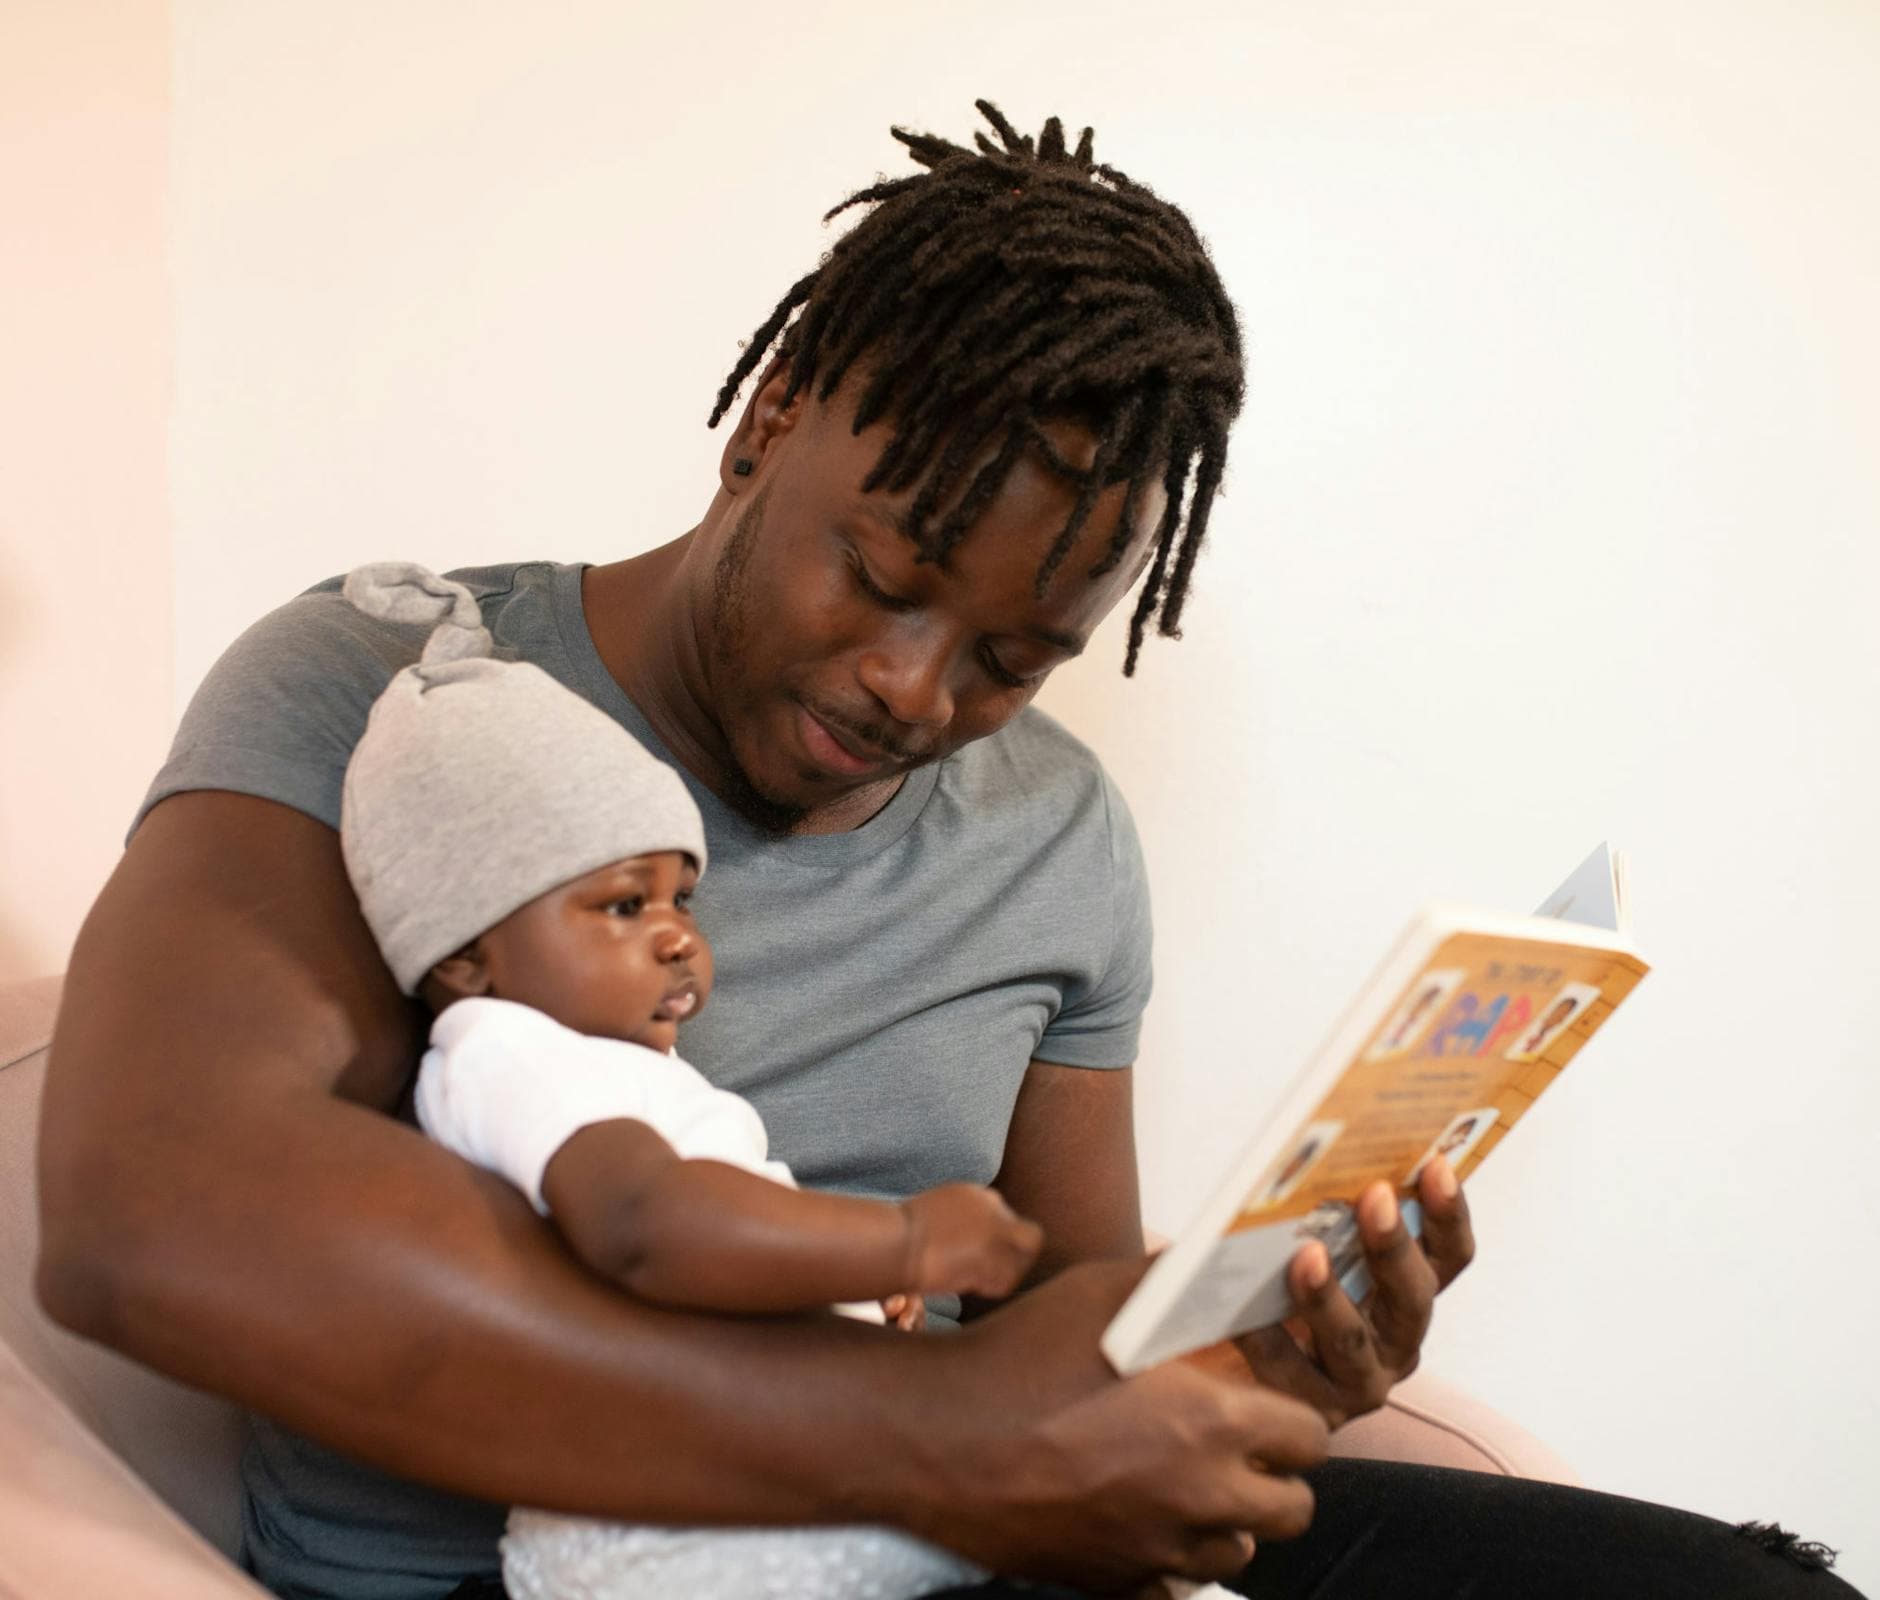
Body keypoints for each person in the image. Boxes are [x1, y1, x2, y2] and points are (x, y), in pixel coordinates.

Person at [36, 100, 1863, 1600]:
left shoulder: (1059, 834)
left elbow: (1067, 1297)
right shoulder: (400, 686)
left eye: (1013, 656)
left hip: (933, 1551)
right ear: (769, 423)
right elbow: (153, 1214)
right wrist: (939, 1436)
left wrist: (1273, 1350)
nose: (914, 689)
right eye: (888, 578)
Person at [337, 559, 1038, 1599]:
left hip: (708, 1498)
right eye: (624, 905)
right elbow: (644, 1221)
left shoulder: (609, 1069)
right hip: (647, 1536)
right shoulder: (504, 1052)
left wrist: (847, 1284)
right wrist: (900, 1237)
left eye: (684, 899)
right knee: (1051, 1510)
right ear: (462, 954)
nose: (675, 936)